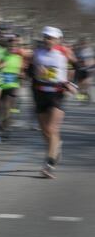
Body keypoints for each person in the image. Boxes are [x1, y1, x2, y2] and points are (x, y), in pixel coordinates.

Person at [31, 26, 77, 178]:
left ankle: (49, 164)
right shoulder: (37, 52)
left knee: (52, 129)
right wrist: (36, 71)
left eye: (51, 38)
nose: (48, 40)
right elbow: (29, 69)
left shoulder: (65, 52)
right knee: (45, 131)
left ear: (58, 39)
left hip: (57, 94)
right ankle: (55, 148)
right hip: (39, 93)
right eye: (46, 37)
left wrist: (72, 84)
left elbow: (79, 68)